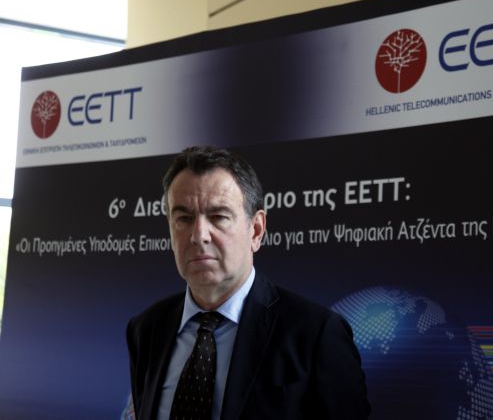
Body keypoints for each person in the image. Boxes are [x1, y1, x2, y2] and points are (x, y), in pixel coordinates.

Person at [126, 146, 370, 420]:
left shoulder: (316, 335)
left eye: (218, 217)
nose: (199, 235)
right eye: (184, 218)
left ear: (256, 230)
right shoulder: (145, 329)